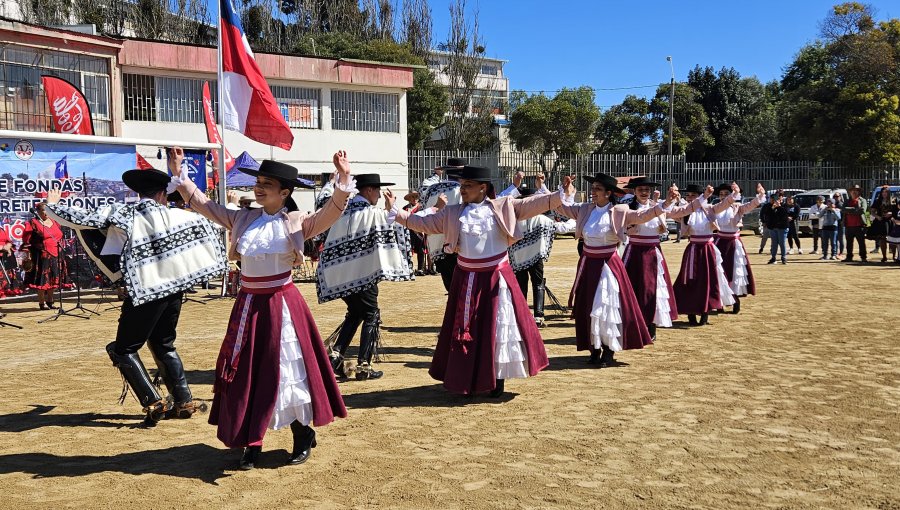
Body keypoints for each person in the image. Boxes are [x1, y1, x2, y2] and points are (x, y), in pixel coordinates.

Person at [172, 147, 351, 470]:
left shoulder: (296, 222)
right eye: (258, 182)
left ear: (284, 192)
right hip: (249, 305)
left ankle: (301, 433)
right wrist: (181, 175)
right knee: (247, 373)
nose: (258, 188)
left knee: (288, 372)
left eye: (266, 184)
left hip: (283, 306)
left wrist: (342, 177)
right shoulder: (242, 218)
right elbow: (205, 205)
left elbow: (331, 213)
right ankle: (251, 441)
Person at [46, 165, 226, 426]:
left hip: (145, 290)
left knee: (124, 349)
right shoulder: (178, 216)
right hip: (174, 290)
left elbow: (83, 219)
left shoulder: (125, 213)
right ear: (163, 194)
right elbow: (209, 229)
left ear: (137, 191)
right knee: (164, 344)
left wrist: (52, 206)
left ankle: (154, 401)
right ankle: (183, 399)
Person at [388, 166, 569, 397]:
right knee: (466, 329)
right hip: (467, 278)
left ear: (483, 188)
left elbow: (532, 205)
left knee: (499, 328)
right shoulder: (452, 213)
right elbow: (425, 224)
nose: (462, 190)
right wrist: (398, 213)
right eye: (462, 185)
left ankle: (497, 378)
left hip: (497, 277)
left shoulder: (504, 206)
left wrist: (559, 195)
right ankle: (467, 378)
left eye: (467, 186)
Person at [555, 173, 681, 366]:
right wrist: (564, 190)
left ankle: (608, 350)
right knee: (588, 307)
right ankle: (594, 348)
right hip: (588, 263)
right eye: (593, 188)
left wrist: (664, 205)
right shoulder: (585, 209)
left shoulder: (619, 210)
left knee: (607, 305)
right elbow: (560, 207)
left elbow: (642, 215)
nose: (593, 192)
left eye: (597, 188)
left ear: (608, 193)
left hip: (608, 264)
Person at [320, 173, 414, 381]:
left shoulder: (342, 211)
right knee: (371, 313)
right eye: (378, 190)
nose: (380, 194)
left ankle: (335, 356)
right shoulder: (371, 213)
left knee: (355, 313)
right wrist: (392, 208)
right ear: (369, 190)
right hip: (363, 274)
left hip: (339, 274)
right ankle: (364, 365)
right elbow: (395, 225)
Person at [501, 176, 566, 328]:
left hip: (518, 259)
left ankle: (521, 314)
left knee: (521, 285)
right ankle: (538, 315)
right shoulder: (542, 220)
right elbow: (562, 227)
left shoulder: (513, 220)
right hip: (536, 257)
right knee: (538, 283)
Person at [620, 176, 678, 341]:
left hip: (653, 252)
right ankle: (634, 323)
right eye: (640, 190)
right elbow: (638, 219)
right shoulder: (628, 208)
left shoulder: (656, 206)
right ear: (634, 191)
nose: (644, 192)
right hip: (635, 252)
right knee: (633, 287)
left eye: (646, 190)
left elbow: (679, 213)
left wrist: (672, 202)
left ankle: (651, 324)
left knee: (654, 289)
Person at [713, 182, 766, 315]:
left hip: (733, 243)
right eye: (721, 194)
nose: (723, 196)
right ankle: (720, 300)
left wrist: (760, 195)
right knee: (719, 271)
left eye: (726, 194)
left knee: (735, 271)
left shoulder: (737, 207)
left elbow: (751, 205)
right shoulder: (715, 208)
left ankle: (735, 299)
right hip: (719, 242)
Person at [20, 202, 64, 310]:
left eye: (48, 210)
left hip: (56, 254)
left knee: (53, 278)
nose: (46, 213)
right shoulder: (33, 223)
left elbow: (59, 236)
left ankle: (50, 301)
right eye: (44, 210)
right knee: (42, 279)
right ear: (38, 211)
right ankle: (41, 303)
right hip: (41, 255)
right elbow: (26, 240)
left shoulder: (55, 222)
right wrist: (27, 255)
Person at [842, 184, 868, 262]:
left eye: (856, 190)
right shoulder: (847, 201)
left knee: (861, 243)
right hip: (848, 225)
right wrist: (855, 210)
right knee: (849, 243)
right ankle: (849, 257)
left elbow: (863, 210)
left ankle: (863, 257)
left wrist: (849, 210)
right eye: (852, 190)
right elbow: (843, 210)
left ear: (859, 192)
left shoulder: (862, 200)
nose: (854, 192)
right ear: (850, 192)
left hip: (859, 225)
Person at [869, 185, 894, 263]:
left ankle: (894, 257)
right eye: (883, 192)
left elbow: (897, 210)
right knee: (883, 239)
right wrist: (877, 216)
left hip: (891, 222)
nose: (884, 193)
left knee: (893, 240)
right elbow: (872, 211)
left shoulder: (893, 200)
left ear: (888, 193)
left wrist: (891, 213)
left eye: (886, 192)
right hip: (881, 222)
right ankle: (884, 257)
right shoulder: (878, 201)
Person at [765, 192, 790, 265]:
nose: (776, 200)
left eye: (778, 198)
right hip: (773, 227)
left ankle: (783, 257)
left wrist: (779, 207)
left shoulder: (785, 205)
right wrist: (773, 208)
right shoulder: (770, 206)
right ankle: (773, 258)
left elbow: (785, 214)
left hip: (782, 227)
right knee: (774, 243)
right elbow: (767, 214)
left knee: (782, 243)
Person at [833, 192, 845, 257]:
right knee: (835, 239)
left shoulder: (842, 204)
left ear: (840, 197)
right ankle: (835, 252)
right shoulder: (833, 204)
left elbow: (844, 214)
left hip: (840, 224)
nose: (836, 198)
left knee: (840, 239)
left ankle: (841, 252)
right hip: (834, 224)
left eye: (837, 196)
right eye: (834, 196)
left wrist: (843, 222)